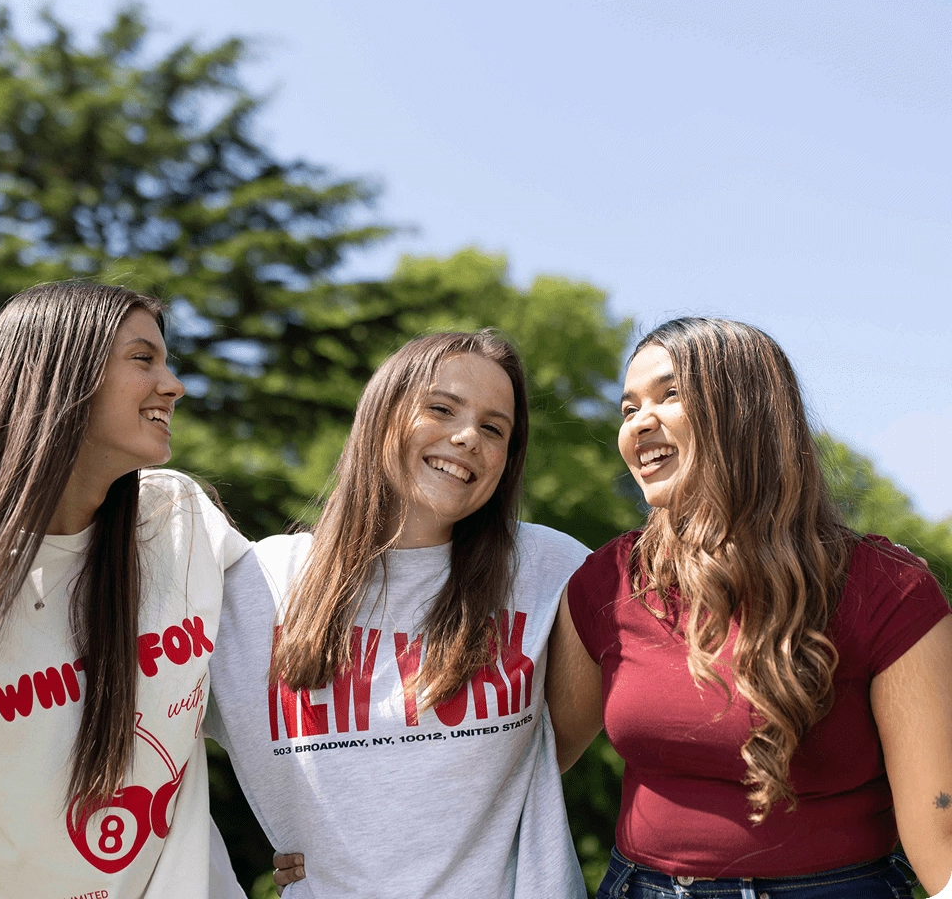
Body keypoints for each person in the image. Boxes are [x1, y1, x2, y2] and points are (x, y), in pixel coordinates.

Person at [548, 317, 952, 898]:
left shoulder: (887, 590)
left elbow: (939, 832)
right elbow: (530, 763)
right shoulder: (606, 584)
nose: (640, 422)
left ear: (746, 412)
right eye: (628, 407)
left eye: (670, 395)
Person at [0, 281, 268, 899]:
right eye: (142, 359)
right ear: (61, 376)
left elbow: (295, 647)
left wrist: (320, 838)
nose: (173, 385)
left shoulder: (177, 521)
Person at [206, 330, 588, 898]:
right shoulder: (254, 583)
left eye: (493, 428)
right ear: (382, 414)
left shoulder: (553, 570)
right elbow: (151, 744)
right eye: (441, 408)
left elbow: (561, 742)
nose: (466, 438)